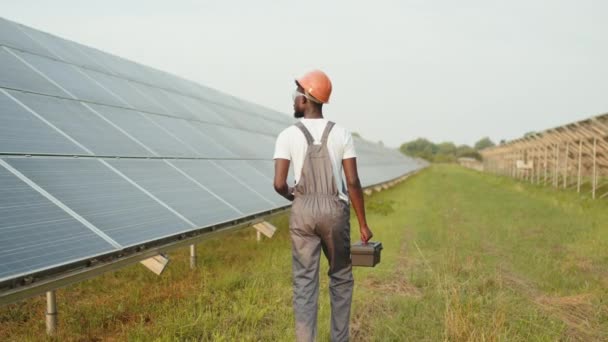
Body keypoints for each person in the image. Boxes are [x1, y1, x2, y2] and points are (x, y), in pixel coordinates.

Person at [273, 69, 373, 342]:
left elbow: (279, 183)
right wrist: (363, 224)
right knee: (340, 276)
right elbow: (352, 181)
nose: (294, 99)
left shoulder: (286, 135)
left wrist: (296, 198)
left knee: (305, 283)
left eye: (297, 94)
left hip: (303, 209)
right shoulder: (342, 134)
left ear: (306, 99)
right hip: (334, 211)